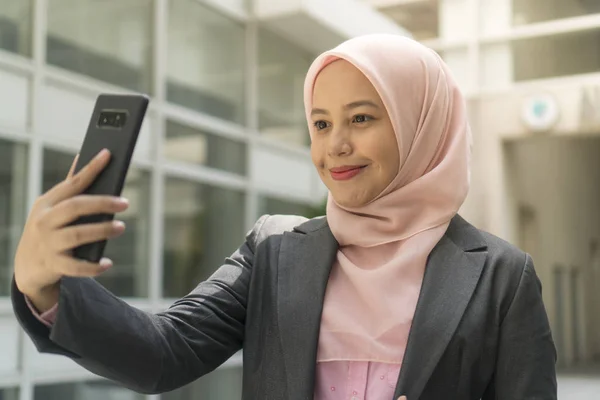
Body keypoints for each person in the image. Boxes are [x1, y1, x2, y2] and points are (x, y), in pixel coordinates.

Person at [11, 34, 557, 400]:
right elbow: (163, 351)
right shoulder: (274, 250)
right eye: (320, 125)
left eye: (361, 118)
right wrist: (47, 290)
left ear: (422, 125)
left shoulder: (500, 277)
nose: (336, 145)